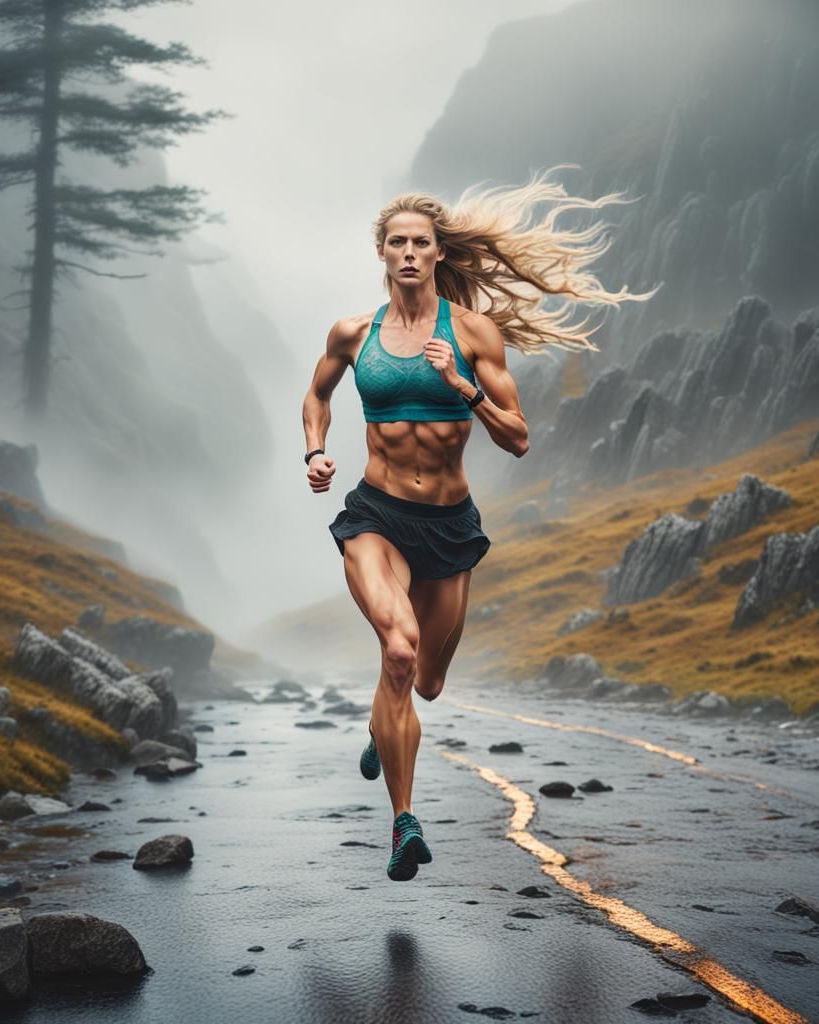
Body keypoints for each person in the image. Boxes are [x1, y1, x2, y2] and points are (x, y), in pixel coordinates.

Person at [301, 166, 656, 882]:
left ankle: (383, 727)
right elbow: (316, 396)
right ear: (382, 253)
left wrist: (462, 385)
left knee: (425, 682)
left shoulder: (473, 333)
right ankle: (404, 823)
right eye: (395, 241)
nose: (407, 252)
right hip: (375, 514)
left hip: (450, 526)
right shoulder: (352, 333)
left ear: (438, 253)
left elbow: (519, 437)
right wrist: (314, 451)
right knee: (397, 654)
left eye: (420, 242)